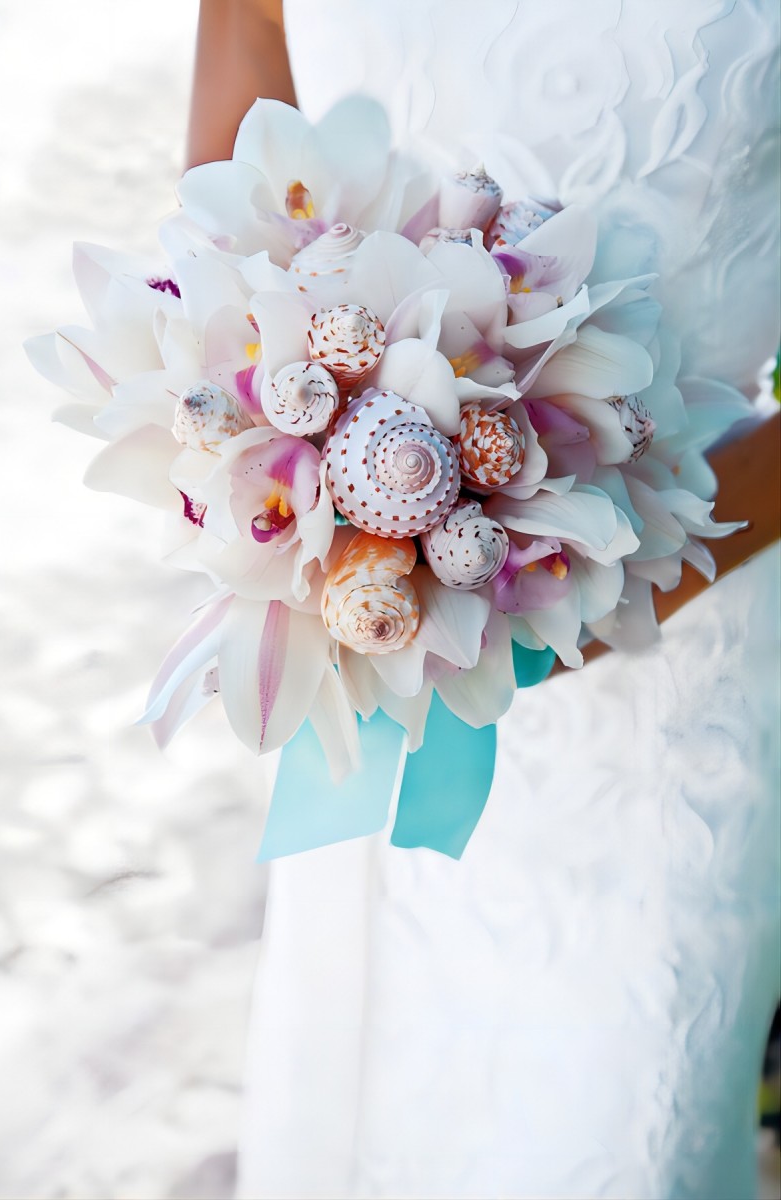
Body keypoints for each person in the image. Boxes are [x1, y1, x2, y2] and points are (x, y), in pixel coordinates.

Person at [187, 3, 781, 1196]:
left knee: (614, 1142)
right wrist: (251, 416)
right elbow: (241, 87)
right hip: (370, 651)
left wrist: (630, 564)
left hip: (676, 685)